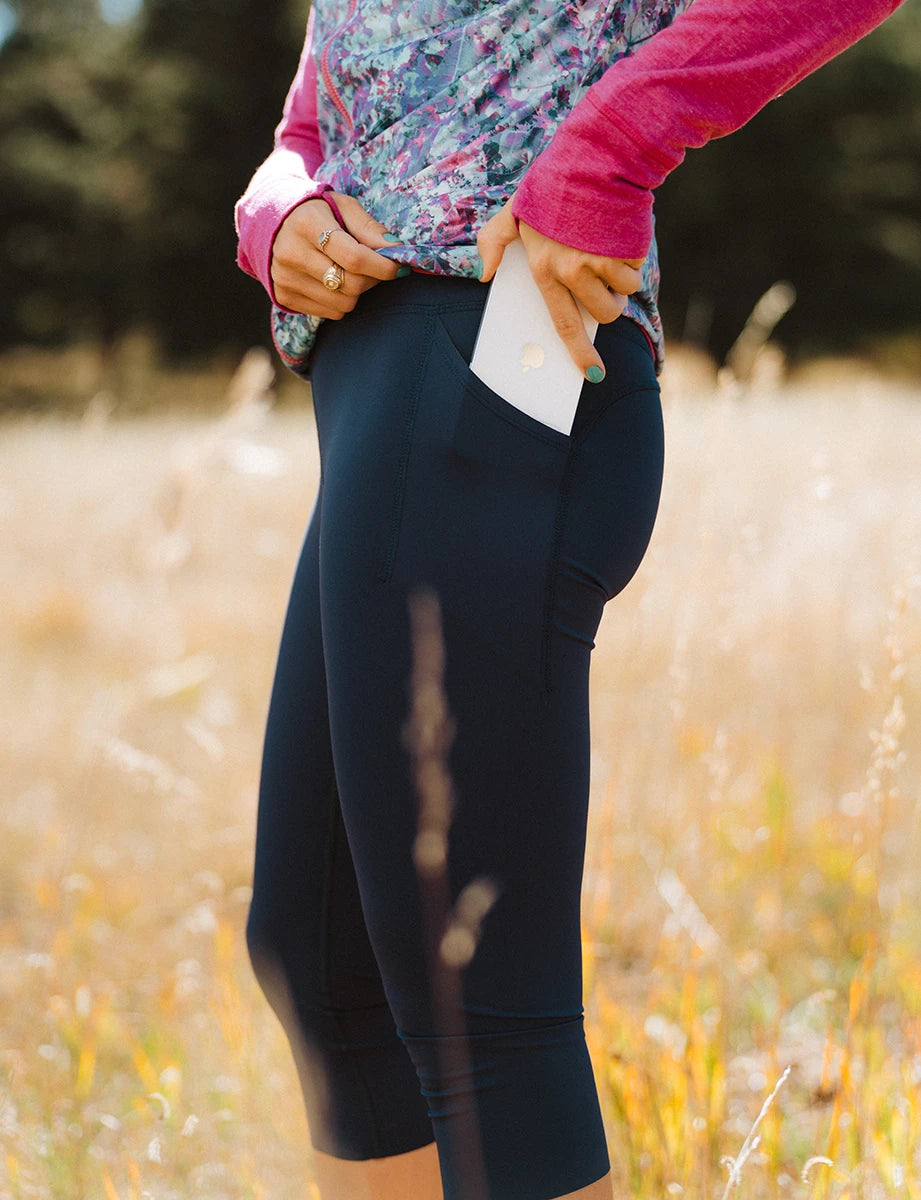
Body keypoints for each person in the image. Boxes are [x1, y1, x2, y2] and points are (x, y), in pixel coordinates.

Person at [234, 2, 903, 1197]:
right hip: (377, 400)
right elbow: (314, 117)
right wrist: (276, 207)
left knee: (477, 1005)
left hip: (498, 352)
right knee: (320, 967)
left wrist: (610, 148)